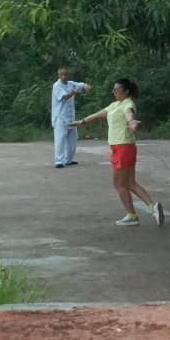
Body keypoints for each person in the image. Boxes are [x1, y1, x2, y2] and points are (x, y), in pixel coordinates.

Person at [70, 78, 163, 227]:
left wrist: (132, 122)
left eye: (117, 89)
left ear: (125, 91)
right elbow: (97, 115)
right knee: (130, 183)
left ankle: (132, 215)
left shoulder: (128, 103)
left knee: (119, 184)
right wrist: (80, 122)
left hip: (123, 147)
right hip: (121, 147)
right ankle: (153, 208)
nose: (114, 92)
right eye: (113, 89)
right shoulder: (114, 105)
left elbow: (129, 114)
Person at [49, 67, 92, 168]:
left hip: (71, 117)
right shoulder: (57, 86)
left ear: (68, 75)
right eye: (62, 74)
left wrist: (86, 86)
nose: (64, 76)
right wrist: (72, 93)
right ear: (59, 75)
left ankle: (68, 160)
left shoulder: (71, 83)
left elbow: (81, 85)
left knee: (72, 140)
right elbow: (65, 97)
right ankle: (59, 161)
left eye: (66, 74)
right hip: (60, 117)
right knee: (60, 139)